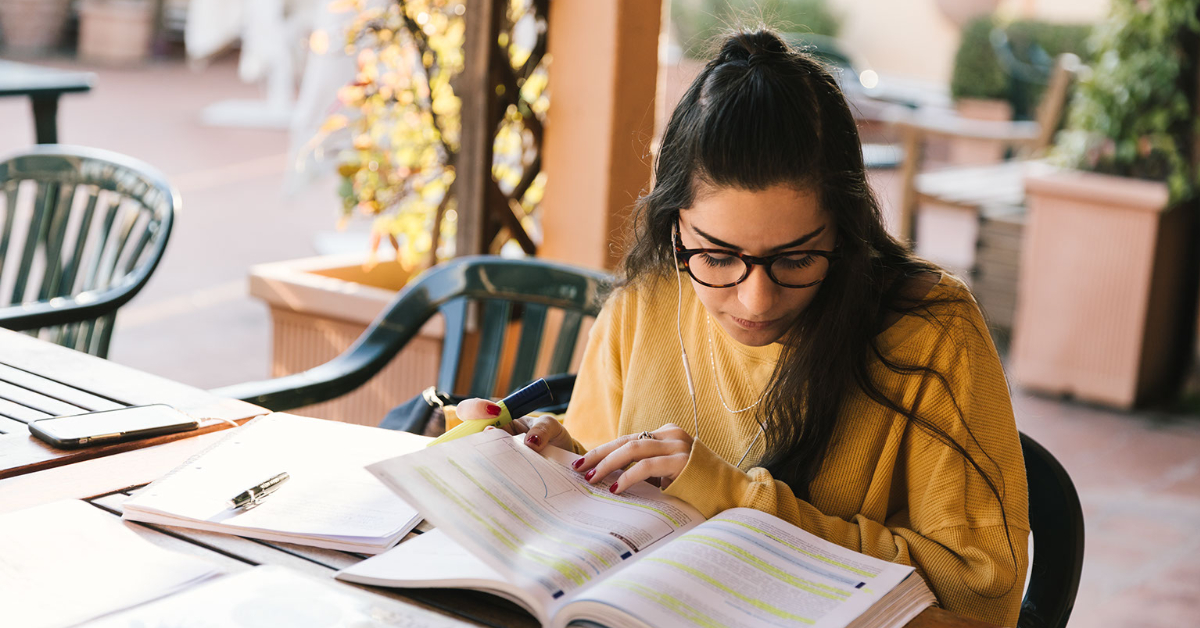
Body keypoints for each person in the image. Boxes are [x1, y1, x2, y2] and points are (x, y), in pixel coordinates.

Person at [456, 29, 1029, 627]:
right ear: (674, 224)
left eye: (797, 258)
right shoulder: (647, 301)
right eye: (718, 257)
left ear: (844, 230)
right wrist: (545, 460)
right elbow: (599, 504)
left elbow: (982, 600)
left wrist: (733, 500)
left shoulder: (932, 333)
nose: (755, 299)